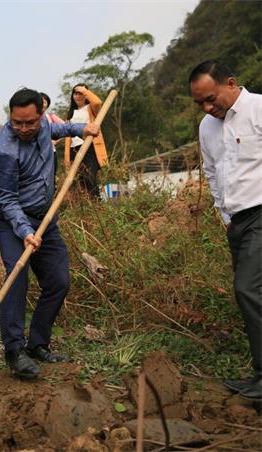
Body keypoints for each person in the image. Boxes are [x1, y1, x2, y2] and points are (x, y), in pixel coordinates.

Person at [0, 88, 99, 379]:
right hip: (12, 222)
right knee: (17, 278)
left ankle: (37, 343)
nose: (23, 129)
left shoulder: (46, 125)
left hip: (45, 219)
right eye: (17, 123)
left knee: (58, 281)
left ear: (41, 115)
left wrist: (82, 129)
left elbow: (61, 129)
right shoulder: (4, 151)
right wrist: (26, 231)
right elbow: (7, 200)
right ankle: (14, 350)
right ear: (10, 118)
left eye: (30, 122)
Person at [190, 60, 262, 400]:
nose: (207, 107)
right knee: (252, 297)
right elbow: (212, 172)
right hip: (237, 222)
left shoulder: (258, 109)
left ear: (231, 83)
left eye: (211, 98)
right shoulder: (207, 127)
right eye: (200, 103)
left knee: (247, 289)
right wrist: (225, 217)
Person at [63, 84, 109, 199]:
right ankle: (86, 204)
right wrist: (67, 157)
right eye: (76, 93)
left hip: (89, 147)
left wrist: (84, 90)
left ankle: (96, 202)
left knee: (90, 176)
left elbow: (97, 102)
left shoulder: (91, 108)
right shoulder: (70, 114)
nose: (78, 96)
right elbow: (68, 138)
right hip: (74, 149)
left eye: (81, 93)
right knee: (80, 179)